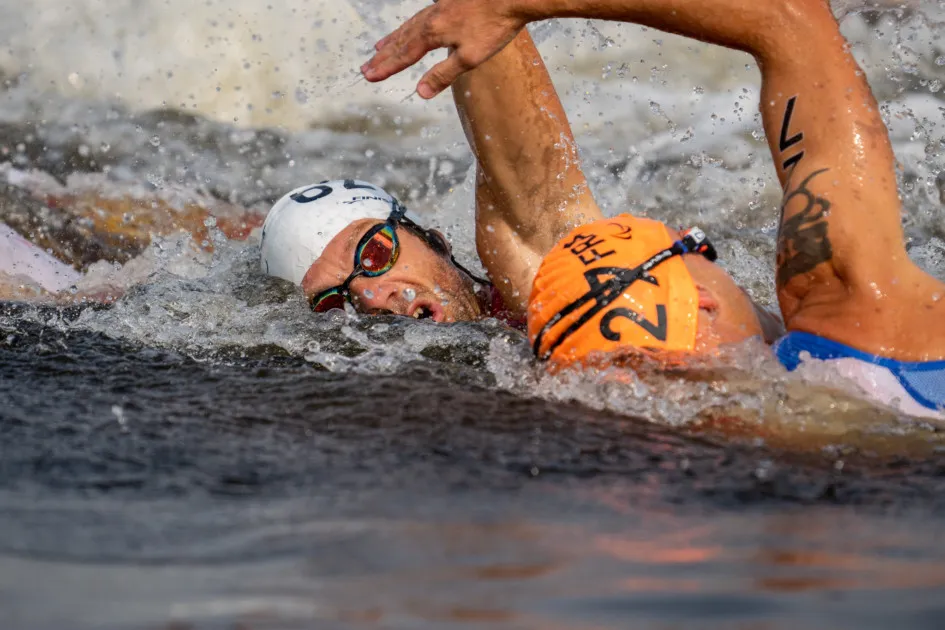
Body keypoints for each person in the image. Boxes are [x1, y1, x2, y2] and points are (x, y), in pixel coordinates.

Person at [358, 0, 945, 417]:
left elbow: (536, 221)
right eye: (692, 244)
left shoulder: (635, 426)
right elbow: (790, 20)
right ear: (706, 296)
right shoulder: (846, 311)